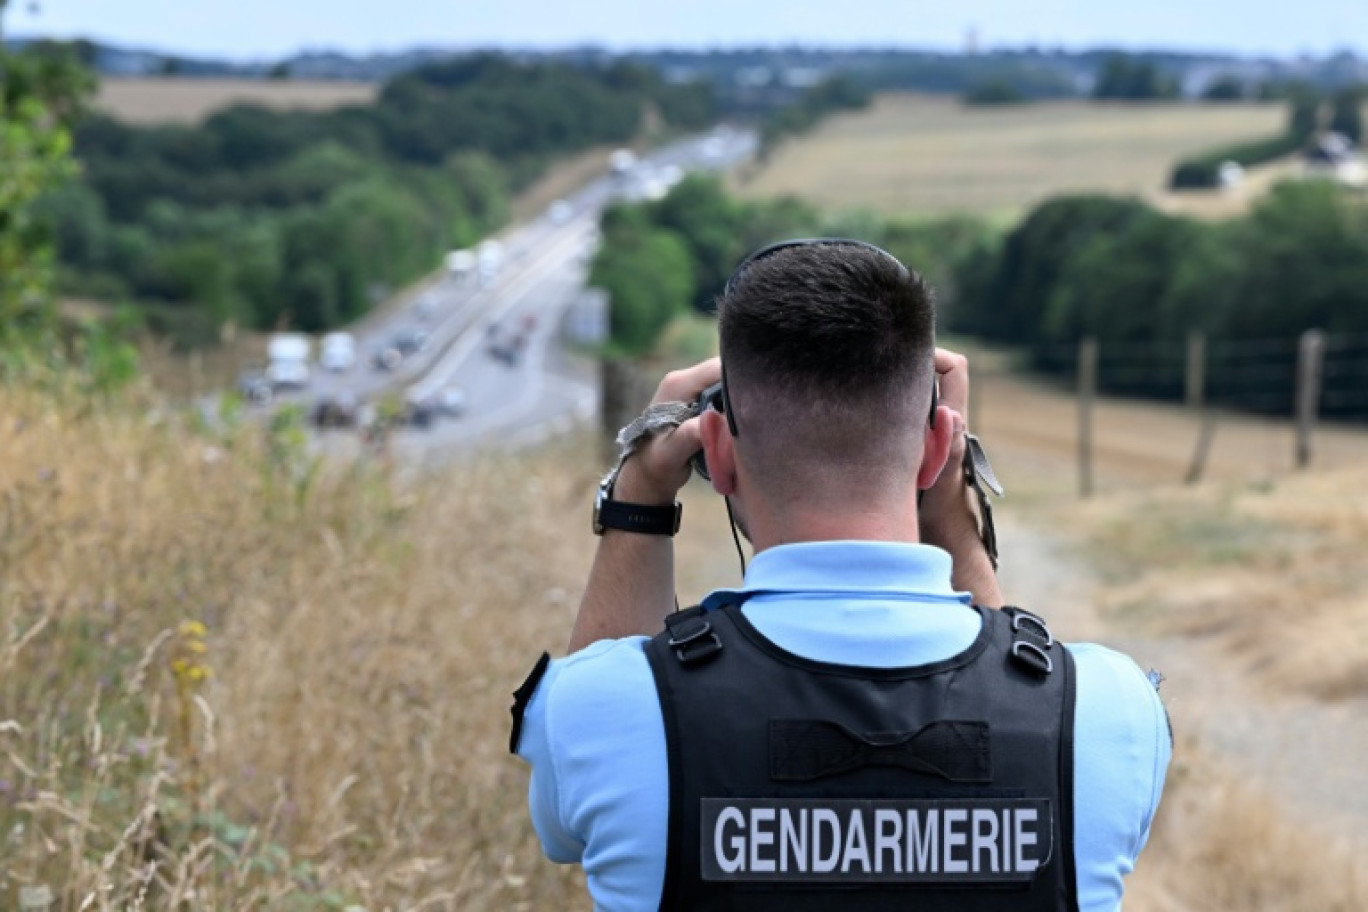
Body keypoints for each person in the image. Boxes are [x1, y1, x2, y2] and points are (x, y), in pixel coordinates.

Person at [511, 239, 1171, 911]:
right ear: (938, 447)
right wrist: (954, 512)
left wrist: (639, 501)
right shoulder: (1106, 712)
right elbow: (1014, 683)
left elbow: (569, 820)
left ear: (717, 452)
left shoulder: (606, 708)